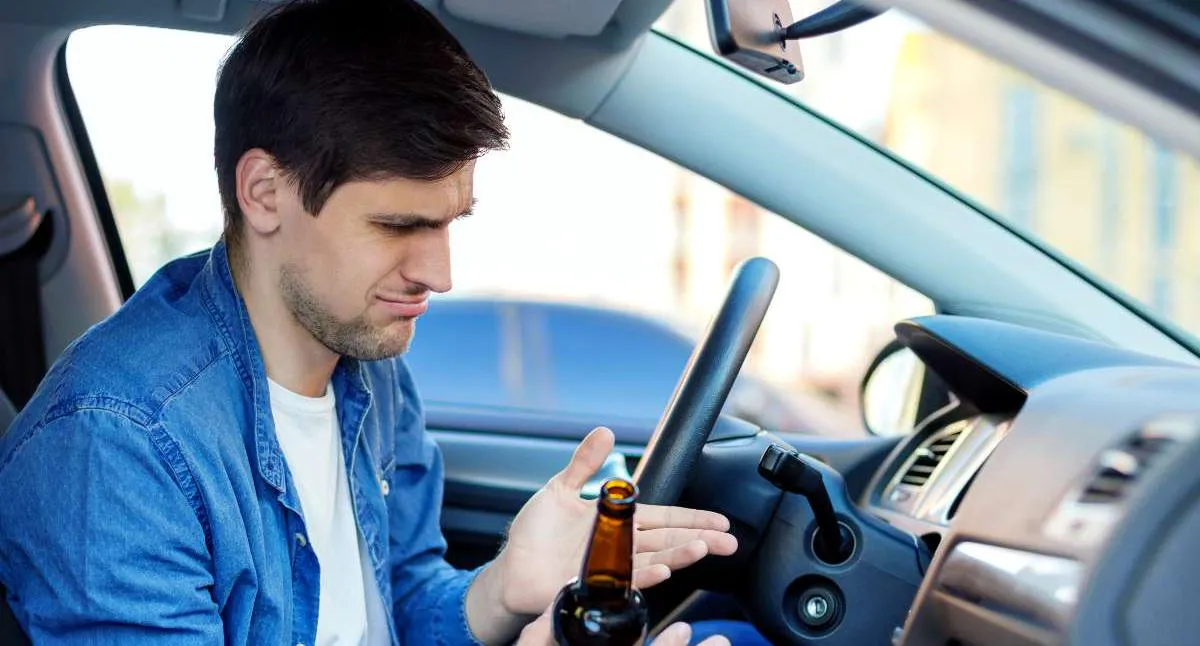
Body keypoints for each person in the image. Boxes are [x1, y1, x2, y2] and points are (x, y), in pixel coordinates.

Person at [0, 0, 743, 644]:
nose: (439, 276)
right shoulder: (116, 445)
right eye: (396, 226)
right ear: (264, 193)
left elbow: (399, 605)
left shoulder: (370, 366)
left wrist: (505, 589)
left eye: (450, 223)